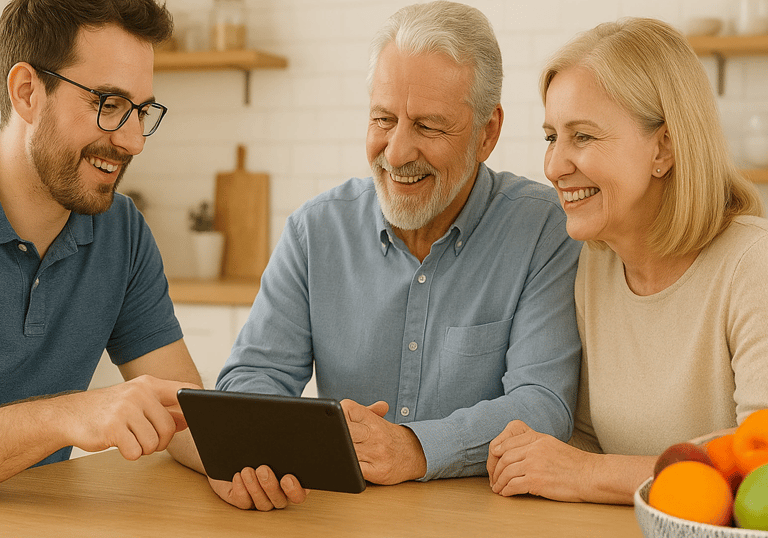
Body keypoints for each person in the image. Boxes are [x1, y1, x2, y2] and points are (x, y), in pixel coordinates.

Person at [212, 0, 582, 511]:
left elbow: (543, 405)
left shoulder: (545, 229)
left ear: (487, 133)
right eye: (383, 119)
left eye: (429, 127)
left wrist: (414, 448)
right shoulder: (315, 230)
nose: (397, 151)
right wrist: (257, 448)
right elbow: (251, 380)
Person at [487, 17, 768, 505]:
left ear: (664, 146)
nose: (554, 167)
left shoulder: (752, 265)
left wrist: (586, 475)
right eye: (552, 136)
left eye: (584, 137)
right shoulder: (591, 266)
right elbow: (584, 440)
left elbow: (761, 468)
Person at [0, 0, 204, 483]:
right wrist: (70, 415)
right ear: (28, 92)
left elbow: (185, 417)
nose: (134, 141)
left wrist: (281, 452)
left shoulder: (121, 231)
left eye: (141, 110)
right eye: (108, 105)